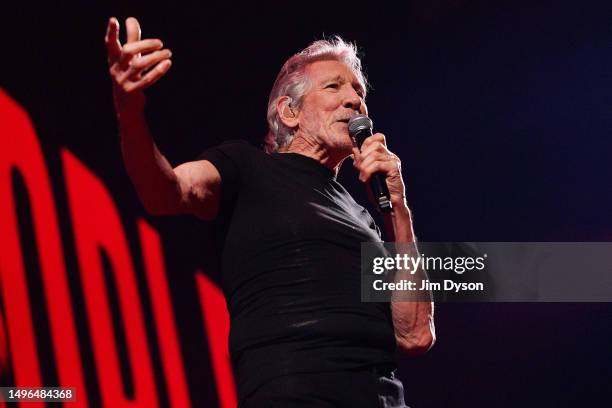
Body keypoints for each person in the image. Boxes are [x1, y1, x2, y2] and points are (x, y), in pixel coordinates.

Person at [105, 16, 435, 408]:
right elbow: (166, 192)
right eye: (334, 86)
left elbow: (415, 335)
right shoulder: (246, 167)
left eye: (359, 91)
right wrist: (130, 110)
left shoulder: (364, 219)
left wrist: (398, 208)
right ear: (288, 112)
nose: (355, 100)